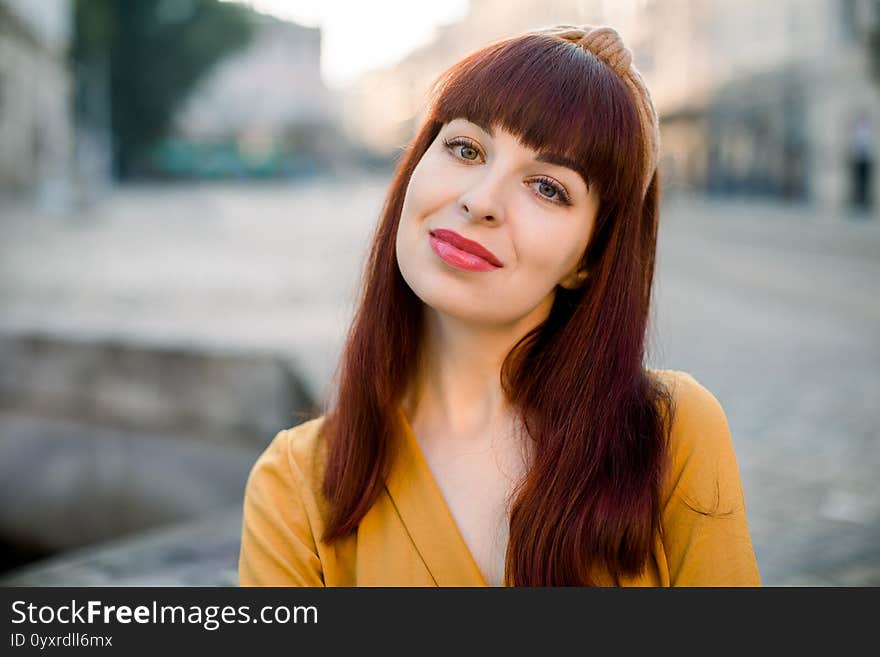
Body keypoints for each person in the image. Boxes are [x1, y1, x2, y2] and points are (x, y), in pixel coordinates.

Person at [238, 24, 762, 587]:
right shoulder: (297, 481)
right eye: (466, 149)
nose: (481, 200)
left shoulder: (670, 435)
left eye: (548, 187)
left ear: (589, 258)